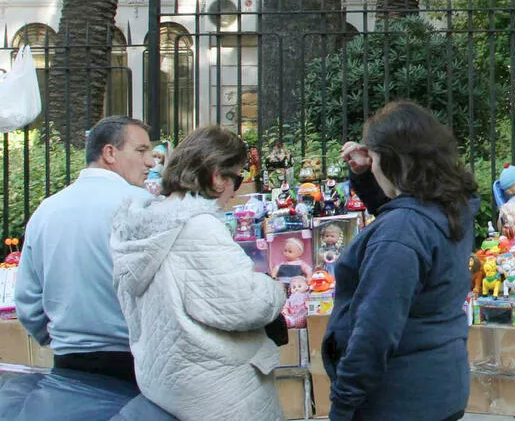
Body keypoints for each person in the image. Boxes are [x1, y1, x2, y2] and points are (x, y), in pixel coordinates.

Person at [110, 126, 286, 421]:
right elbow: (245, 303)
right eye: (238, 177)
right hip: (219, 392)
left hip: (173, 384)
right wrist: (274, 288)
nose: (236, 190)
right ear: (217, 177)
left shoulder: (146, 227)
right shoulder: (198, 227)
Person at [324, 101, 480, 421]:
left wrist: (343, 406)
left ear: (393, 161)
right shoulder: (451, 206)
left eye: (377, 158)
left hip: (399, 399)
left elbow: (373, 332)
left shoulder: (402, 233)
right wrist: (366, 176)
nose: (375, 165)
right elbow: (404, 210)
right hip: (438, 386)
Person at [15, 116, 155, 384]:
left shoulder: (46, 210)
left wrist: (60, 337)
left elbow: (27, 300)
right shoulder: (144, 205)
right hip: (135, 360)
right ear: (109, 152)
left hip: (69, 360)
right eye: (141, 150)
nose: (150, 161)